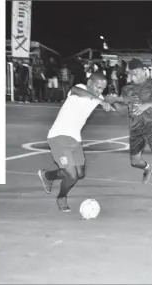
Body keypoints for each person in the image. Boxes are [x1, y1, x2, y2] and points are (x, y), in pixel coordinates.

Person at [37, 73, 113, 212]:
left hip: (75, 139)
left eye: (102, 88)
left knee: (80, 174)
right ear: (89, 82)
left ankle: (47, 176)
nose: (99, 91)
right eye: (97, 86)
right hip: (58, 136)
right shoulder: (79, 89)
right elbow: (75, 90)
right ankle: (61, 197)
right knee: (71, 176)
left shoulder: (99, 97)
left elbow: (105, 100)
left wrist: (115, 105)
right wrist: (101, 101)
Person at [105, 59, 152, 200]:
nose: (130, 77)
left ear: (141, 71)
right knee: (135, 162)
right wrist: (113, 104)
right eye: (129, 74)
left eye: (133, 74)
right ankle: (148, 168)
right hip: (136, 129)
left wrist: (147, 105)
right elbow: (123, 111)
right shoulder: (127, 89)